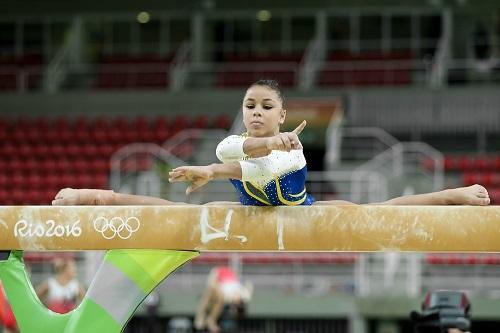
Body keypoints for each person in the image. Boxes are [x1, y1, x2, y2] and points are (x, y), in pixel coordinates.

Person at [52, 79, 490, 207]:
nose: (257, 113)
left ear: (283, 114)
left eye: (266, 107)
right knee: (173, 214)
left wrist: (211, 171)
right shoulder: (232, 142)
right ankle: (88, 197)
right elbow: (230, 154)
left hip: (302, 216)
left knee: (376, 214)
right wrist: (212, 167)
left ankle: (451, 194)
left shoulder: (293, 150)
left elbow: (252, 170)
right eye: (250, 106)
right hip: (250, 216)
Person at [194, 266, 252, 333]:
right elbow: (249, 284)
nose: (236, 302)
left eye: (236, 305)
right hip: (227, 273)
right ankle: (205, 319)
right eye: (238, 303)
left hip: (217, 276)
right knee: (211, 297)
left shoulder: (227, 298)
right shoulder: (245, 296)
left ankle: (206, 320)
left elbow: (216, 294)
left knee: (211, 295)